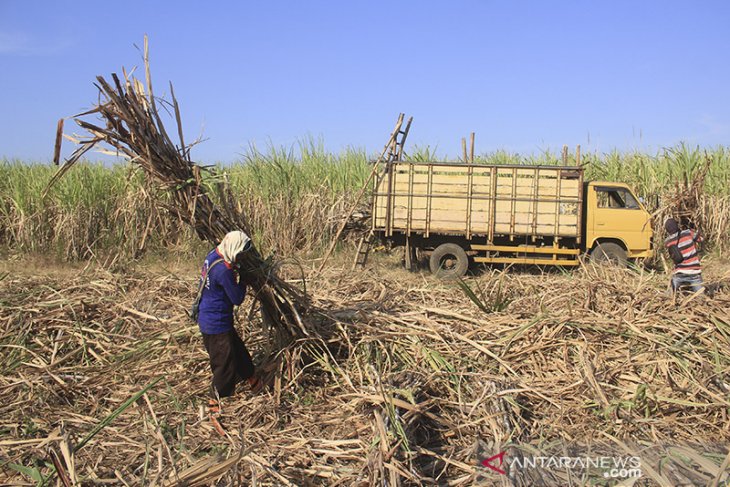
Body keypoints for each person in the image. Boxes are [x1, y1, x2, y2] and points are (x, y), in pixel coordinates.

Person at [196, 230, 261, 435]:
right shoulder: (223, 271)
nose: (241, 256)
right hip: (216, 323)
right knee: (224, 364)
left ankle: (254, 381)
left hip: (213, 318)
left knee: (239, 351)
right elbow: (237, 298)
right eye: (241, 252)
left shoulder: (213, 255)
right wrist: (242, 280)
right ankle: (214, 402)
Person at [664, 218, 704, 294]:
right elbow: (701, 239)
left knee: (669, 294)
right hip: (694, 272)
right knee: (701, 297)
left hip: (679, 273)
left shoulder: (667, 242)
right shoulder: (688, 233)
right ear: (677, 226)